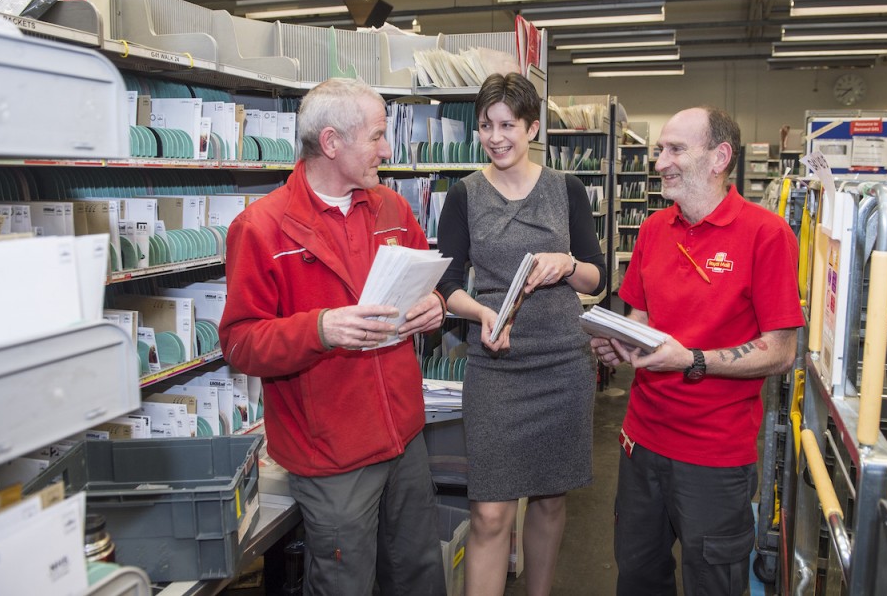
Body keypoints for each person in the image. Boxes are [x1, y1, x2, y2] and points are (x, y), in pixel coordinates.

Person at [219, 78, 447, 596]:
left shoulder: (390, 209)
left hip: (405, 438)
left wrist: (432, 307)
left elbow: (428, 284)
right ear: (330, 143)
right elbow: (238, 342)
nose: (387, 150)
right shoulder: (262, 228)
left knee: (417, 576)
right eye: (377, 136)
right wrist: (320, 328)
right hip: (332, 456)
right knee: (345, 584)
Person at [590, 106, 803, 596]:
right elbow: (640, 322)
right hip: (641, 443)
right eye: (659, 149)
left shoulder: (766, 235)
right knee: (639, 576)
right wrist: (616, 342)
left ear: (719, 157)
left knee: (713, 583)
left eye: (675, 149)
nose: (660, 161)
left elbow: (781, 351)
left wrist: (691, 359)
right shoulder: (651, 230)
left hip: (714, 457)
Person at [435, 72, 606, 596]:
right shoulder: (464, 194)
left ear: (532, 127)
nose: (496, 136)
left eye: (508, 124)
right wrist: (481, 313)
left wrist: (566, 262)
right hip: (496, 368)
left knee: (552, 500)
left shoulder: (566, 189)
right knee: (489, 511)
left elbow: (599, 278)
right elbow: (445, 285)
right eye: (486, 125)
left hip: (562, 366)